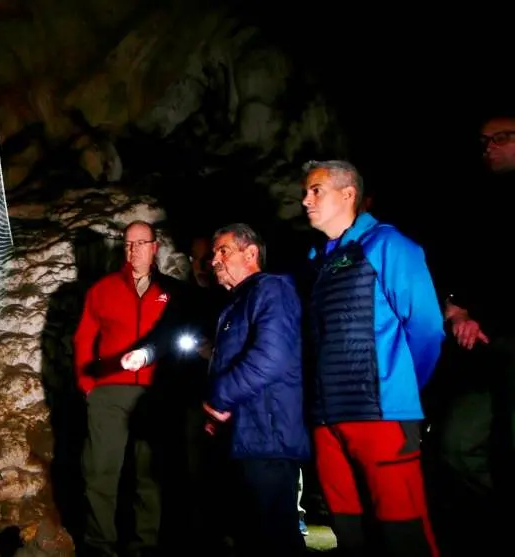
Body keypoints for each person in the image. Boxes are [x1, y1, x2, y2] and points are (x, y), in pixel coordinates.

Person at [123, 223, 309, 557]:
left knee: (274, 535)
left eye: (223, 251)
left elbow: (271, 357)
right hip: (246, 435)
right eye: (212, 254)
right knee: (252, 534)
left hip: (268, 436)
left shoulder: (271, 290)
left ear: (251, 253)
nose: (214, 260)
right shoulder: (235, 303)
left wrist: (217, 397)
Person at [302, 160, 444, 557]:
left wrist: (402, 387)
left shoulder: (388, 244)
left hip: (381, 415)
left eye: (316, 190)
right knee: (350, 532)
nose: (305, 200)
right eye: (306, 192)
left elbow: (428, 327)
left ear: (348, 194)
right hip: (328, 420)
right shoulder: (318, 259)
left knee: (402, 530)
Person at [73, 220, 200, 557]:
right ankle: (100, 545)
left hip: (154, 394)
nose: (134, 250)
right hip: (110, 391)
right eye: (128, 244)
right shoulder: (102, 290)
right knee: (101, 471)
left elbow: (175, 339)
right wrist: (89, 385)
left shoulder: (172, 292)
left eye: (141, 243)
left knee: (149, 474)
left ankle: (145, 545)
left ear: (154, 247)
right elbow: (85, 337)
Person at [421, 113, 515, 555]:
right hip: (478, 351)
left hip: (504, 339)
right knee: (456, 444)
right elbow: (446, 267)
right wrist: (454, 308)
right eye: (484, 141)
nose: (489, 148)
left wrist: (485, 316)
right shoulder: (472, 205)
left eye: (501, 138)